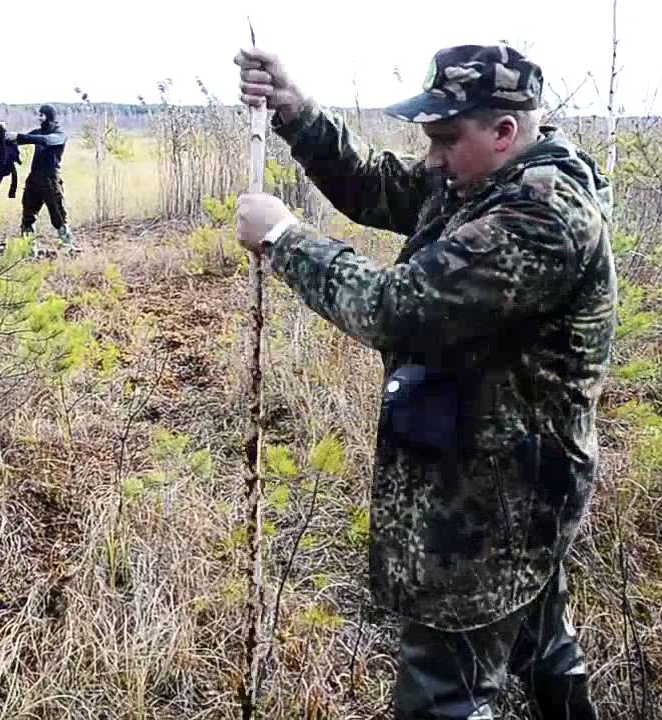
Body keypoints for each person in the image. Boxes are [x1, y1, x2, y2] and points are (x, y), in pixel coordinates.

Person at [233, 43, 617, 719]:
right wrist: (296, 113)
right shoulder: (484, 179)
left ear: (504, 132)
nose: (433, 157)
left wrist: (285, 239)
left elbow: (393, 309)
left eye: (446, 138)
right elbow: (376, 187)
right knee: (538, 642)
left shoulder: (541, 218)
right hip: (505, 484)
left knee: (444, 698)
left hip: (492, 507)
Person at [4, 104, 75, 254]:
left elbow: (46, 140)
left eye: (42, 115)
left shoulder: (59, 135)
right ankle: (28, 250)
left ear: (49, 116)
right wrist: (7, 137)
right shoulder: (38, 132)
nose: (39, 118)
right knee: (28, 215)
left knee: (58, 216)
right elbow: (23, 139)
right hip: (34, 179)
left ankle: (67, 248)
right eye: (39, 115)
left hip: (50, 179)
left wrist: (20, 136)